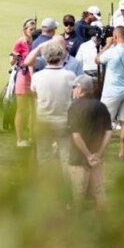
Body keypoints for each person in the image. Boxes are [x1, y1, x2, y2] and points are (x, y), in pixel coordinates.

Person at [67, 75, 112, 210]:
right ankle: (105, 223)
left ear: (81, 89)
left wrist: (88, 156)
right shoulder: (101, 106)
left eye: (74, 87)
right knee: (99, 192)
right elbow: (108, 132)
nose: (73, 90)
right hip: (97, 158)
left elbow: (76, 135)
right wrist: (98, 154)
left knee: (78, 193)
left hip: (78, 158)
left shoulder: (74, 108)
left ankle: (77, 223)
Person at [30, 42, 76, 171]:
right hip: (64, 120)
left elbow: (34, 94)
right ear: (61, 56)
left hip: (44, 121)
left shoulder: (37, 77)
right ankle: (68, 186)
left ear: (45, 57)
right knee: (66, 157)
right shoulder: (69, 75)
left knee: (44, 157)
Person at [96, 26, 124, 159]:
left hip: (112, 92)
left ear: (115, 36)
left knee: (104, 123)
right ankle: (122, 153)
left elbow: (97, 59)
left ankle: (100, 152)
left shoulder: (112, 51)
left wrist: (107, 45)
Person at [10, 18, 36, 143]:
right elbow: (12, 61)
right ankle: (20, 139)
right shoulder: (20, 42)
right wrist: (15, 56)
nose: (33, 31)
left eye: (34, 29)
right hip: (24, 75)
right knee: (21, 109)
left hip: (35, 75)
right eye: (31, 29)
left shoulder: (36, 41)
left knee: (34, 109)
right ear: (25, 30)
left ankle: (32, 137)